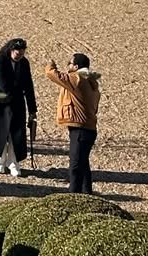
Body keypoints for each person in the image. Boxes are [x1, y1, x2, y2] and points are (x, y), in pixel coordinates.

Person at [0, 37, 38, 177]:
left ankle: (14, 164)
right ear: (11, 50)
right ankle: (0, 162)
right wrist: (18, 90)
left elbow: (28, 85)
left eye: (22, 54)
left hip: (17, 103)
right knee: (0, 133)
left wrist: (32, 109)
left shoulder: (24, 63)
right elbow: (3, 84)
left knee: (16, 135)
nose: (19, 56)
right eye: (17, 53)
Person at [44, 53, 101, 193]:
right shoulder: (91, 82)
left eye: (69, 63)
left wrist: (50, 64)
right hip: (88, 128)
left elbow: (53, 74)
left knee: (75, 165)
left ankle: (74, 193)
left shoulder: (77, 79)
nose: (67, 66)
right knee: (83, 163)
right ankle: (86, 193)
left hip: (80, 129)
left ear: (76, 67)